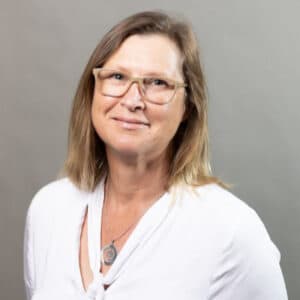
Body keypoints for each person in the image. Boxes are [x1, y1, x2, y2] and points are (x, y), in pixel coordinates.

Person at [23, 10, 288, 300]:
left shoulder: (231, 232)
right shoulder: (48, 210)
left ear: (188, 106)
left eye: (158, 83)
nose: (133, 100)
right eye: (117, 76)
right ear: (93, 91)